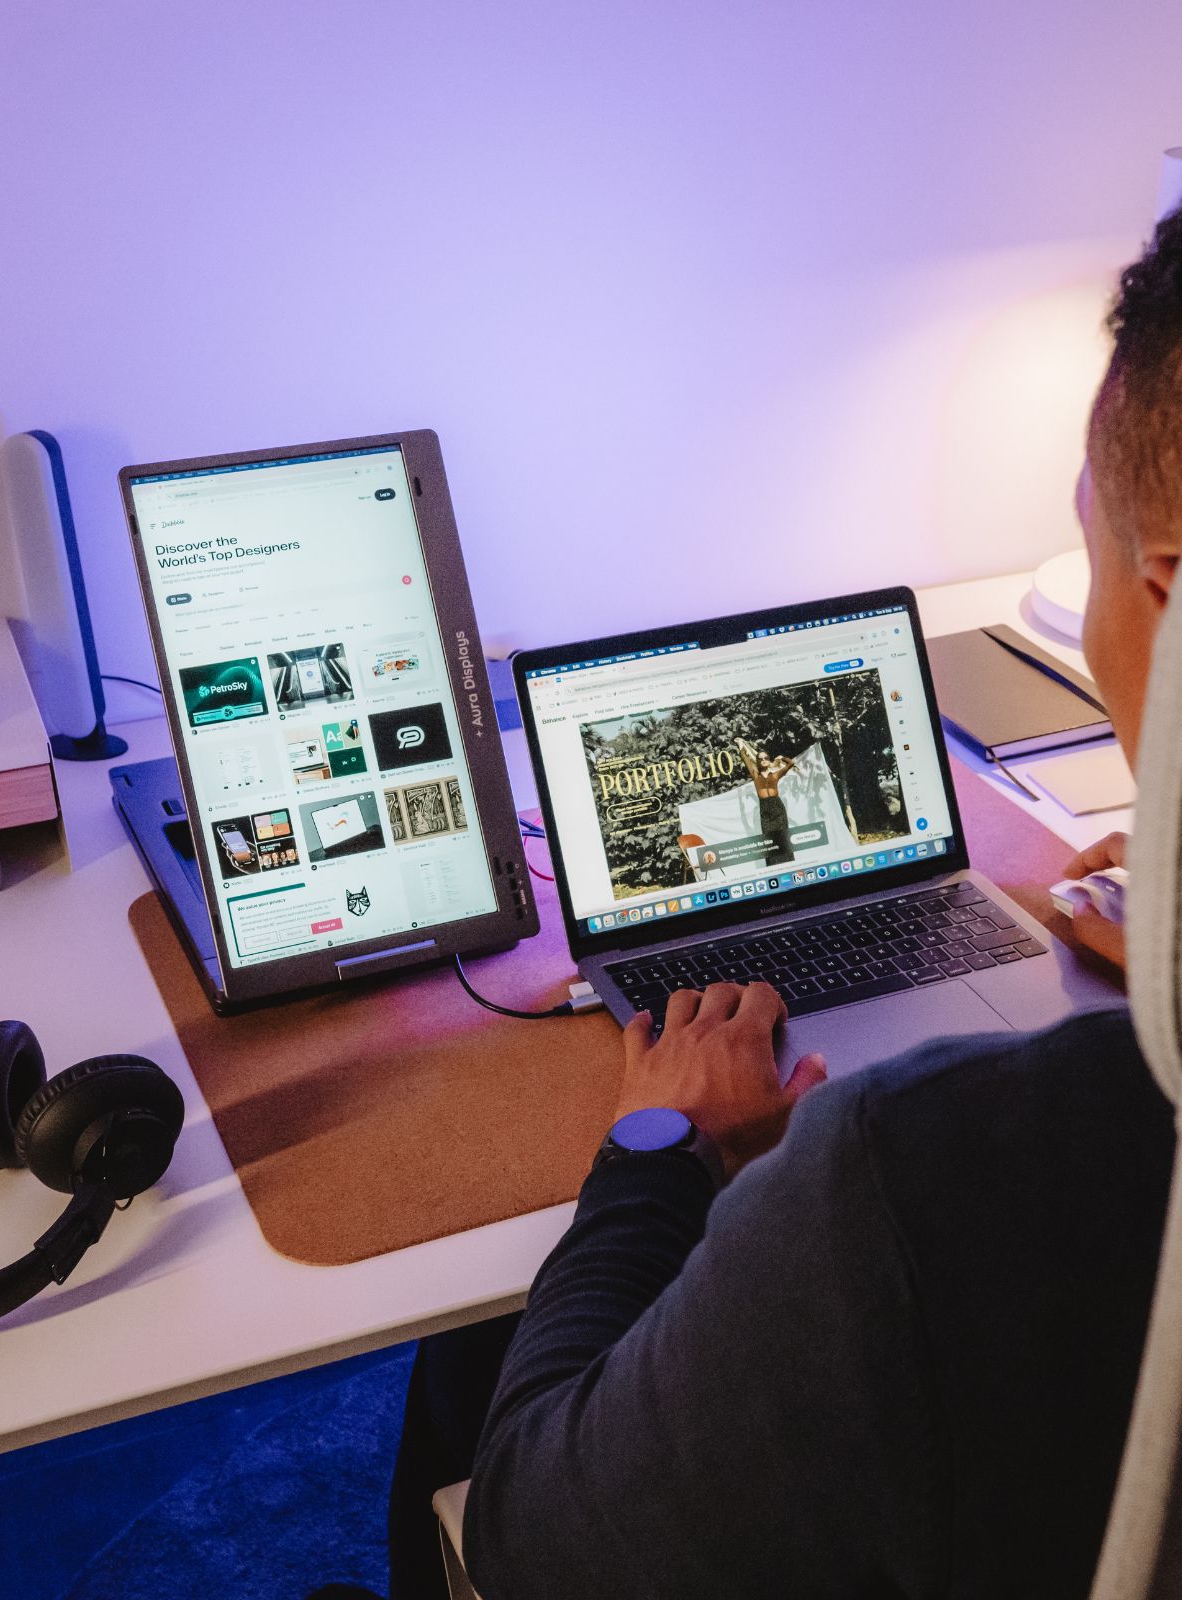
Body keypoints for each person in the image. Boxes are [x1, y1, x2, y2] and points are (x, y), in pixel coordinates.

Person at [384, 213, 1182, 1600]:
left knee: (471, 1358)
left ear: (1160, 590)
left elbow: (529, 1539)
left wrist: (657, 1147)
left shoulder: (899, 1167)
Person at [733, 734, 797, 864]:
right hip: (765, 811)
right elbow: (745, 759)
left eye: (765, 758)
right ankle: (774, 867)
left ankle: (789, 865)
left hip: (778, 809)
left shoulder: (775, 775)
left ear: (769, 760)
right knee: (769, 841)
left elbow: (791, 763)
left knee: (783, 838)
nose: (763, 760)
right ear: (758, 761)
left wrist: (781, 757)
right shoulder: (755, 775)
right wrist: (740, 745)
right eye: (760, 758)